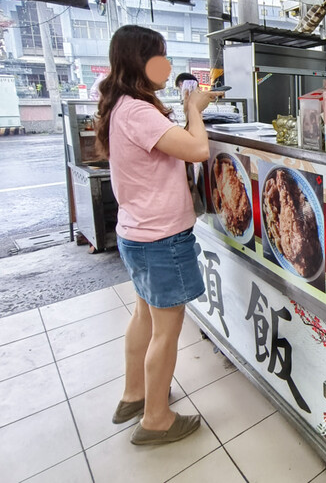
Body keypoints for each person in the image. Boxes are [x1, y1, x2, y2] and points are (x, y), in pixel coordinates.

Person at [95, 25, 221, 445]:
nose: (167, 65)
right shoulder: (138, 111)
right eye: (161, 57)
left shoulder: (121, 106)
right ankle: (156, 420)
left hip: (137, 232)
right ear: (140, 61)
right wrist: (195, 110)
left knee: (144, 317)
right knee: (166, 329)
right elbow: (197, 149)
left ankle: (134, 395)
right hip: (160, 236)